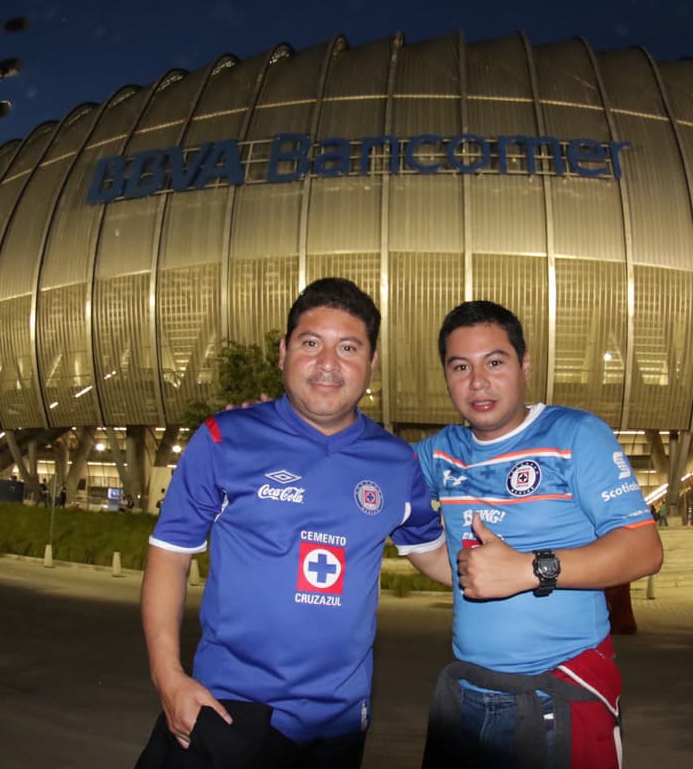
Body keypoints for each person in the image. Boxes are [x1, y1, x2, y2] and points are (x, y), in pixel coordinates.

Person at [136, 278, 447, 769]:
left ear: (372, 363)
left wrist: (532, 564)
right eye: (310, 343)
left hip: (340, 726)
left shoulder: (396, 462)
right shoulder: (224, 438)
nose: (328, 363)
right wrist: (168, 678)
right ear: (282, 352)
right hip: (227, 710)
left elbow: (434, 554)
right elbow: (169, 557)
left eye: (348, 347)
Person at [415, 300, 663, 769]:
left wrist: (530, 569)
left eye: (495, 362)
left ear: (525, 365)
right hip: (469, 695)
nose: (478, 382)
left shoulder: (576, 434)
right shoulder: (440, 453)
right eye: (460, 367)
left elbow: (644, 549)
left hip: (559, 694)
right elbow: (365, 474)